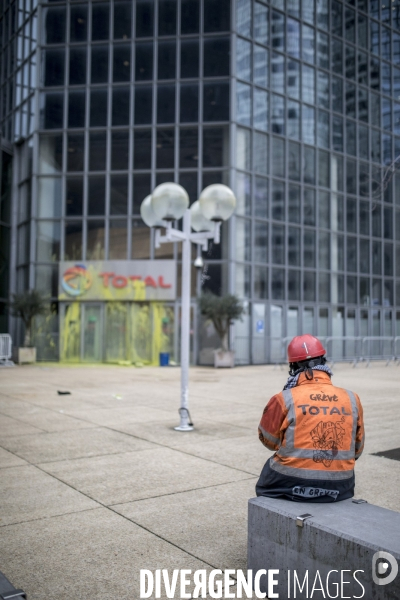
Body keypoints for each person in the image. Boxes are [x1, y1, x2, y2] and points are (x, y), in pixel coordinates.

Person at [256, 334, 365, 502]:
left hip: (290, 481)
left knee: (264, 485)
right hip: (340, 485)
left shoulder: (284, 398)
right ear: (323, 361)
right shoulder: (352, 398)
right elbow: (357, 450)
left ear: (293, 366)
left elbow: (269, 441)